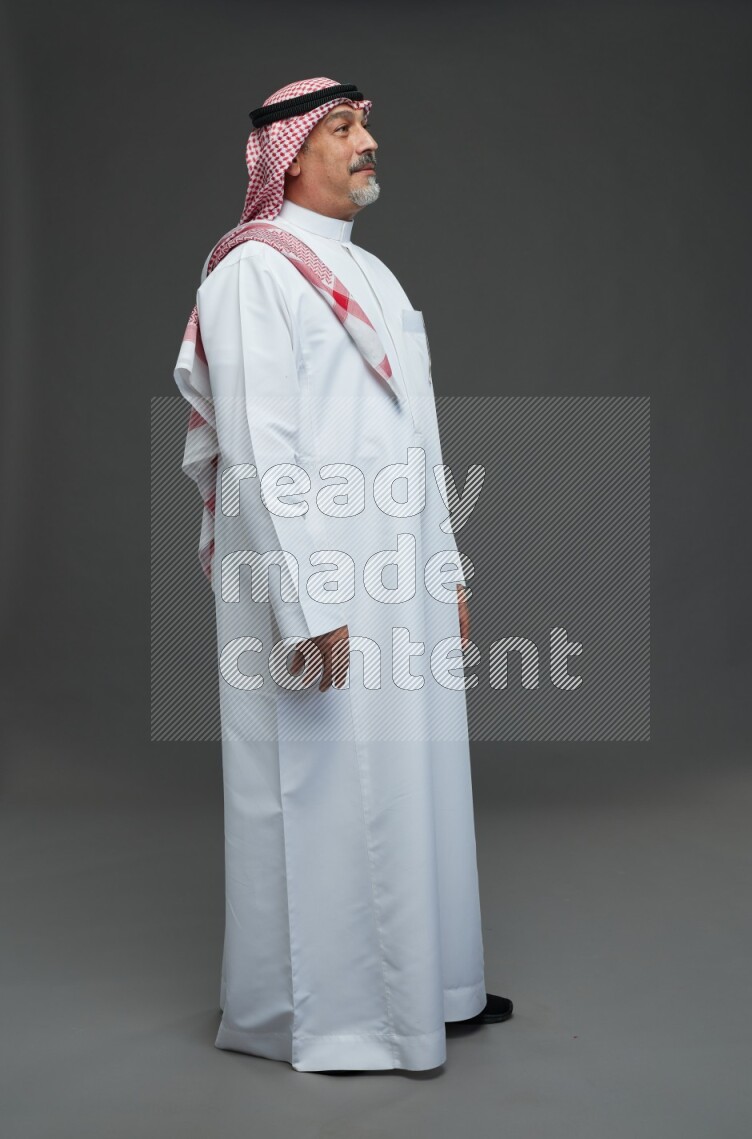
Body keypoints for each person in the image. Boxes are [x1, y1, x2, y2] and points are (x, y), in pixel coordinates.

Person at [172, 77, 512, 1074]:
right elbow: (257, 450)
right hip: (318, 587)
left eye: (366, 126)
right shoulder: (252, 276)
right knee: (326, 788)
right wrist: (307, 607)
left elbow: (418, 441)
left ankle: (432, 986)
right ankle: (332, 1015)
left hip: (396, 577)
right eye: (341, 128)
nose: (367, 143)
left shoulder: (375, 277)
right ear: (283, 156)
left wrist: (444, 570)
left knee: (417, 777)